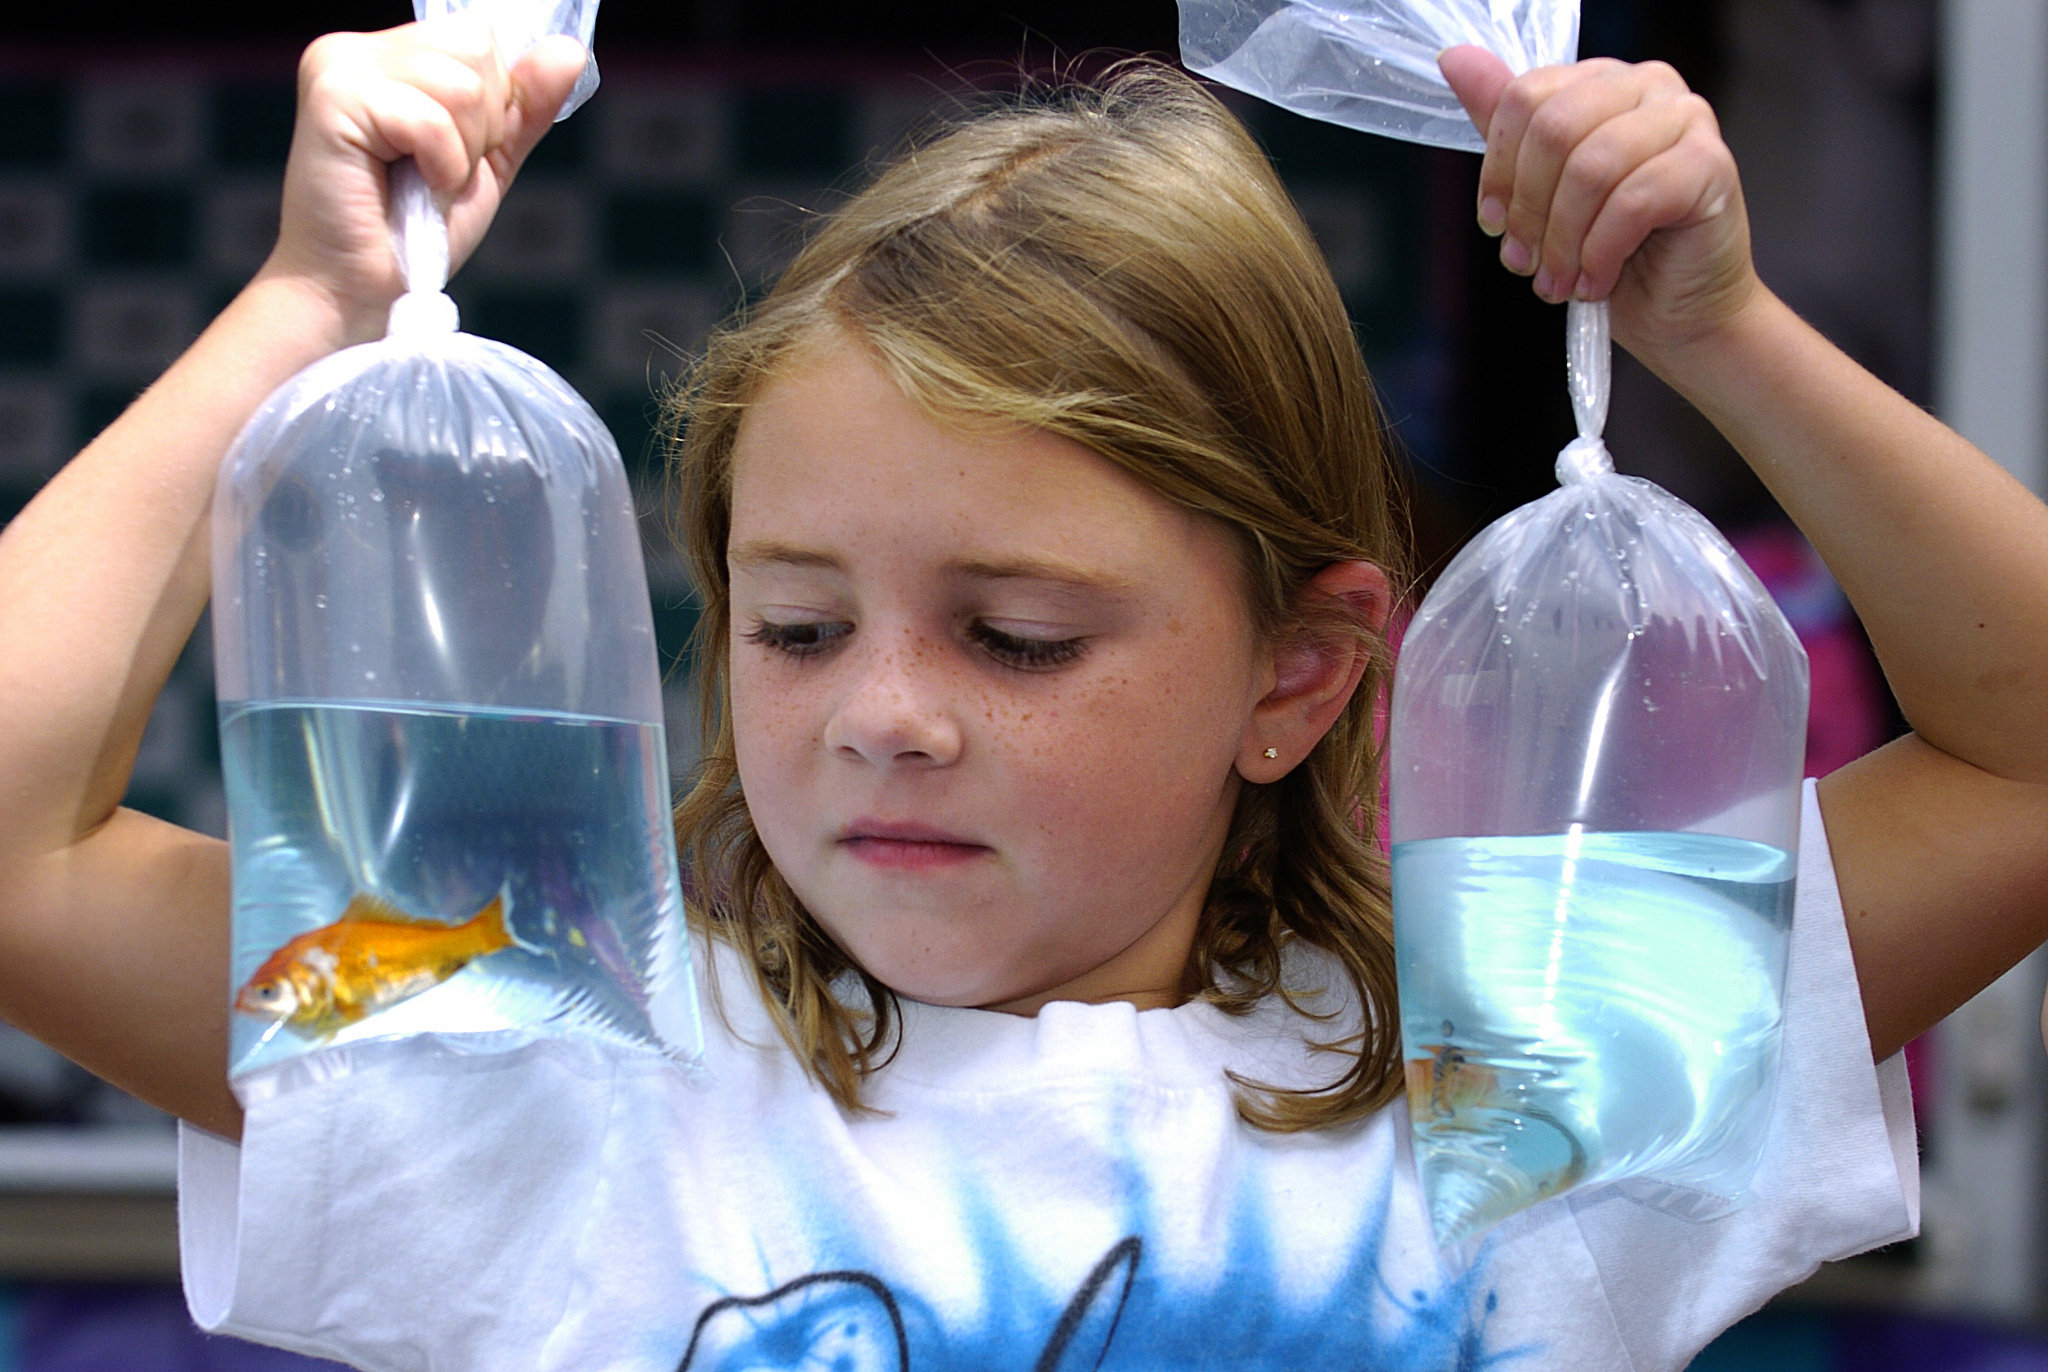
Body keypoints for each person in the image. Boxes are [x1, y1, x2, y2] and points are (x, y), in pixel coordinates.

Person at [1, 17, 2046, 1371]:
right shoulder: (557, 1063)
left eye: (1017, 634)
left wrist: (1727, 328)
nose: (882, 709)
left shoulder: (1518, 1088)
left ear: (1305, 671)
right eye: (797, 624)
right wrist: (309, 301)